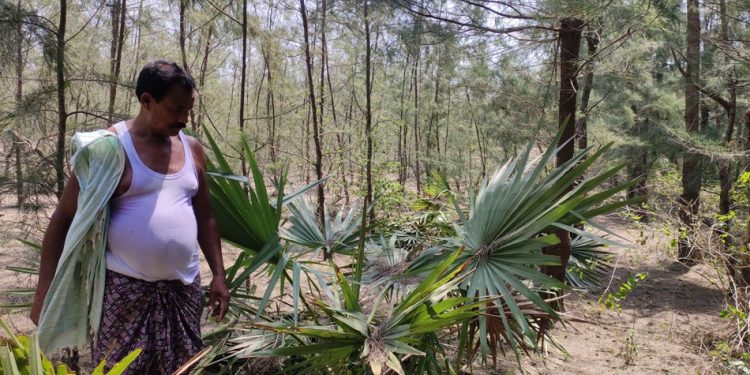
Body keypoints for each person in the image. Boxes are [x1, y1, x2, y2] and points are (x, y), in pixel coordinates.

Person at [30, 60, 230, 374]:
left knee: (185, 369)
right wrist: (44, 290)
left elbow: (206, 218)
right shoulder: (108, 151)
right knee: (120, 369)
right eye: (176, 109)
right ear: (147, 101)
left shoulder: (192, 149)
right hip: (125, 295)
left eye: (188, 110)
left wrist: (219, 275)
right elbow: (62, 219)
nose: (184, 119)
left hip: (183, 292)